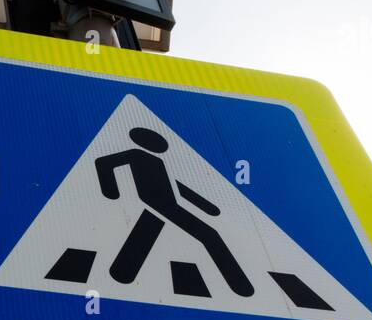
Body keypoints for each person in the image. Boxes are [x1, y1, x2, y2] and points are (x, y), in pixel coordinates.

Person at [95, 127, 254, 296]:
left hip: (164, 203)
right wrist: (111, 192)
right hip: (157, 202)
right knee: (209, 235)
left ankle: (121, 274)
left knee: (144, 234)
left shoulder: (158, 162)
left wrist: (207, 207)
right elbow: (104, 163)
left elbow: (178, 187)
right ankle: (241, 287)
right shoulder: (135, 154)